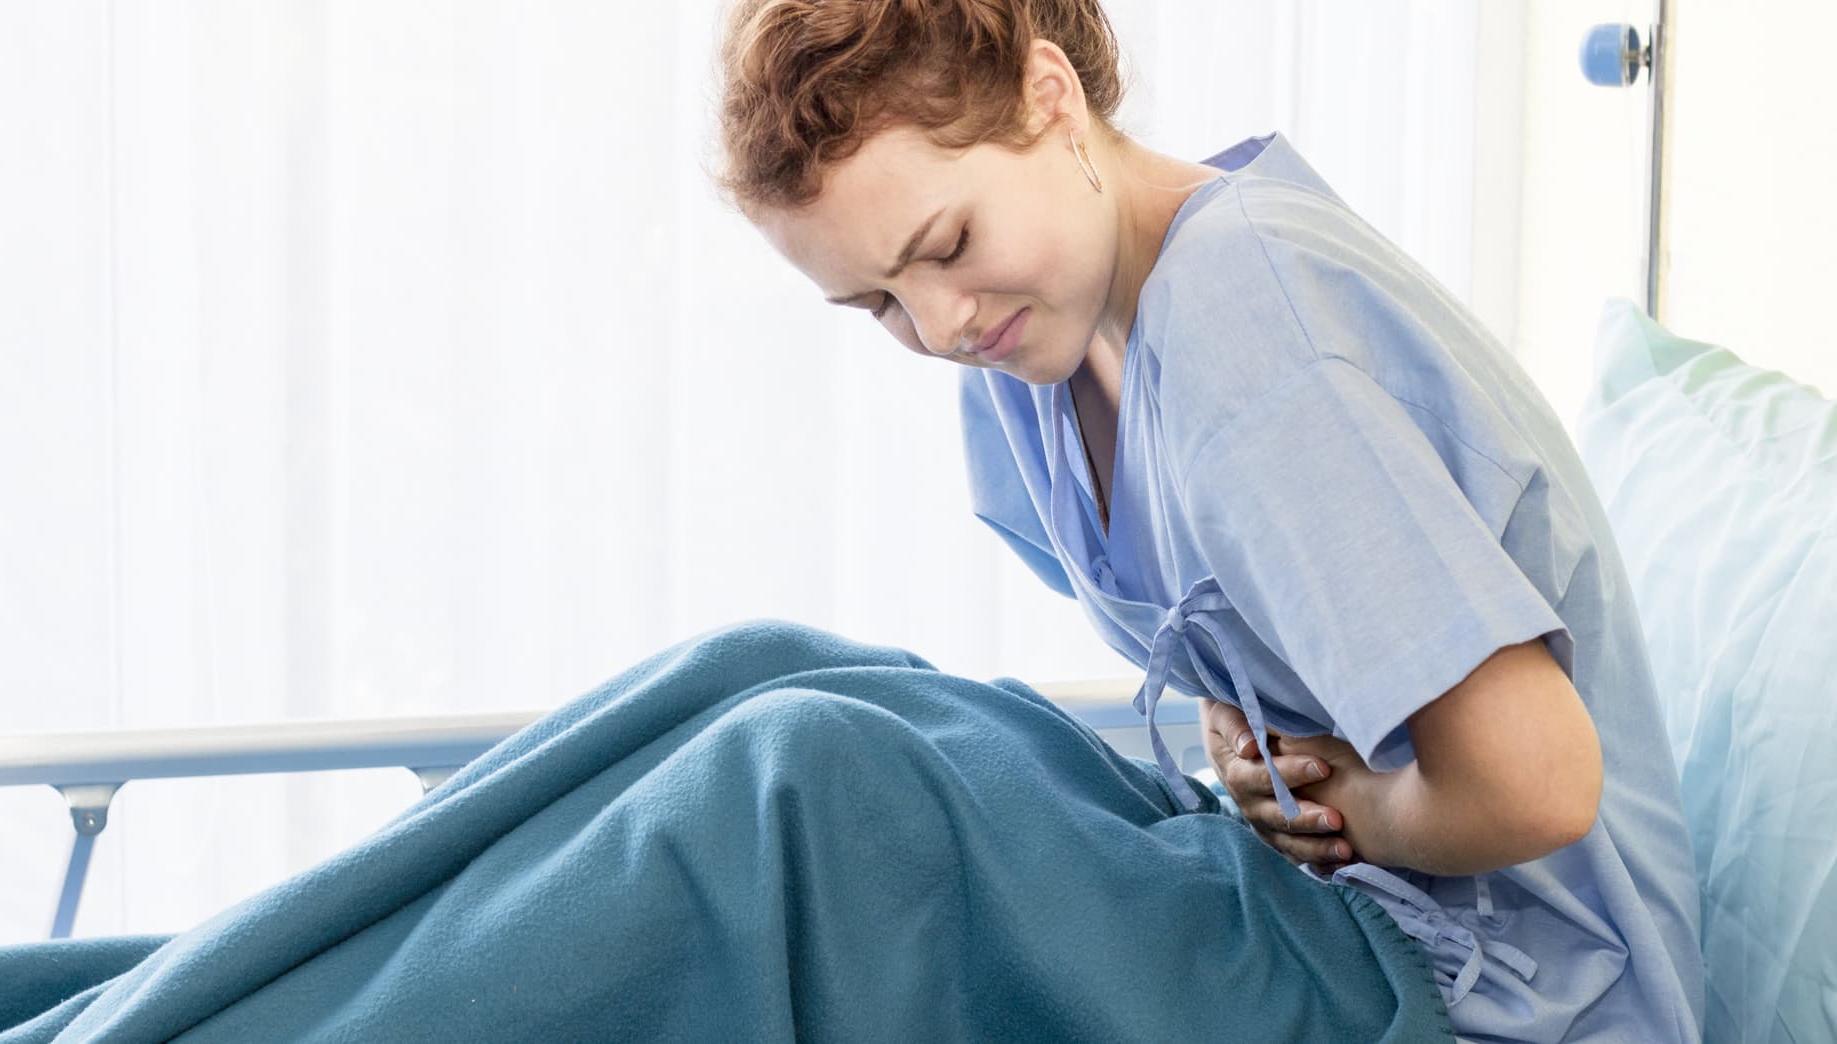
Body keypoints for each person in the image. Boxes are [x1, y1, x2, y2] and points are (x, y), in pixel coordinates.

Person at [713, 1, 1703, 1040]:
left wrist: (1343, 814)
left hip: (1506, 990)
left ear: (1049, 99)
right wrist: (1244, 747)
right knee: (763, 691)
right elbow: (1255, 611)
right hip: (1334, 922)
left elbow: (1536, 784)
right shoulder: (1031, 336)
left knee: (817, 779)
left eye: (949, 244)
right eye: (876, 303)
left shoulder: (1244, 322)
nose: (936, 324)